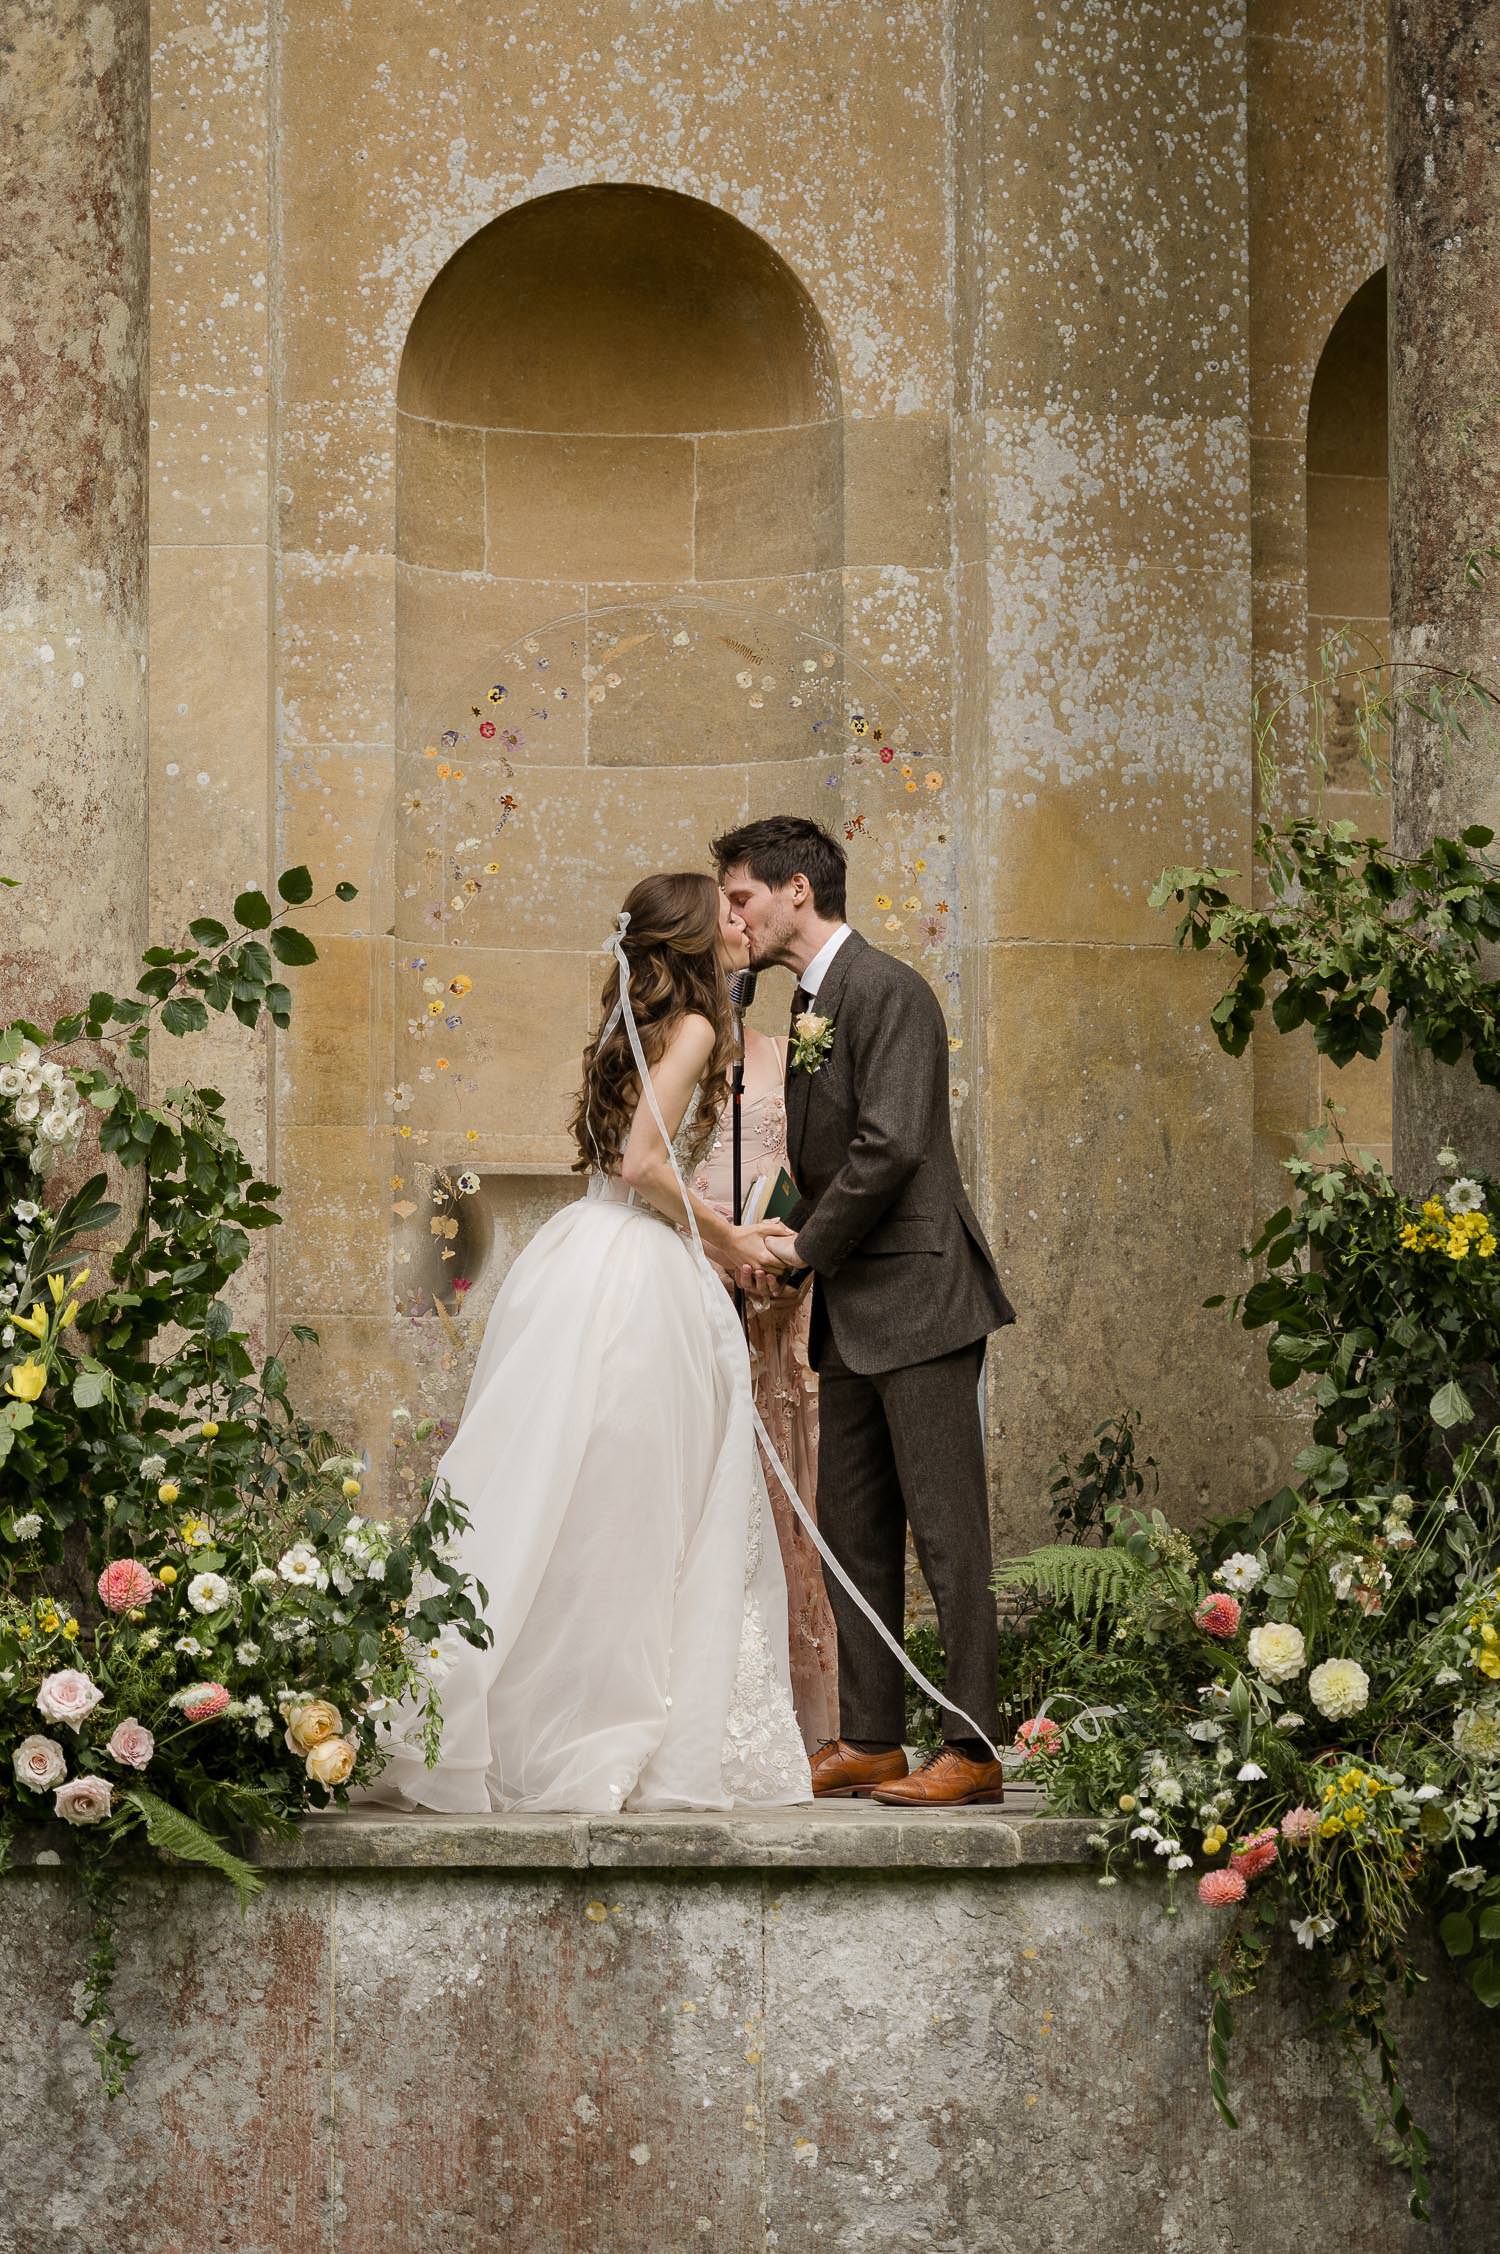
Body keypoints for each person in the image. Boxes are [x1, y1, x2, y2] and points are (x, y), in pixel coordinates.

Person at [355, 872, 813, 1815]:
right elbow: (640, 1161)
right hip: (638, 1278)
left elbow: (623, 1164)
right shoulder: (692, 1029)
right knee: (635, 1509)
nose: (744, 922)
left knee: (556, 1494)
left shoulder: (628, 1030)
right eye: (726, 912)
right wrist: (726, 1241)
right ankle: (600, 1724)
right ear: (689, 937)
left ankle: (512, 1717)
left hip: (580, 1256)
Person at [714, 816, 1018, 1808]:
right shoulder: (811, 1002)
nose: (732, 918)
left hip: (923, 1299)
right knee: (851, 1532)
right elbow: (829, 1168)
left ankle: (970, 1749)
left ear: (797, 891)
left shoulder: (890, 992)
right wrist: (772, 1247)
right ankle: (874, 1738)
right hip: (851, 1308)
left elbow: (889, 1148)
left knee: (945, 1531)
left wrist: (800, 1248)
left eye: (742, 898)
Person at [691, 1021, 839, 1753]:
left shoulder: (787, 1047)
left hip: (781, 1293)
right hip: (700, 1284)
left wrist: (791, 1259)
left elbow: (814, 1171)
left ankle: (800, 1722)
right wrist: (716, 1250)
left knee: (788, 1493)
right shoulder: (667, 1040)